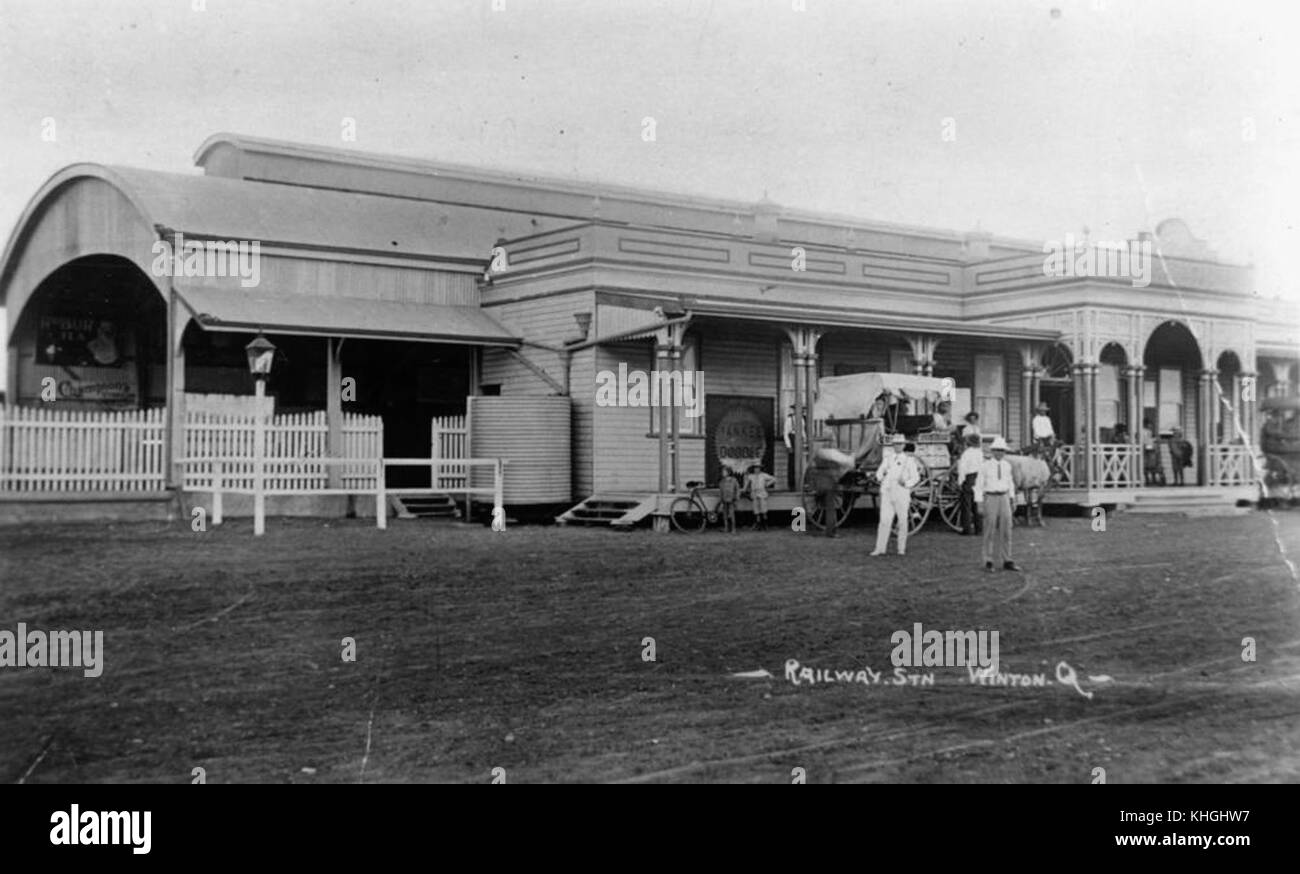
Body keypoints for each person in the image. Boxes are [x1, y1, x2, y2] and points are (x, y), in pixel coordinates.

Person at [870, 433, 921, 556]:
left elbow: (916, 477)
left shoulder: (909, 460)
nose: (897, 446)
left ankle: (901, 548)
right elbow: (879, 473)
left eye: (900, 444)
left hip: (901, 492)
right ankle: (880, 548)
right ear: (893, 445)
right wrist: (880, 477)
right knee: (884, 520)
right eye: (895, 444)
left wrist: (906, 483)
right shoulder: (888, 458)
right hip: (888, 491)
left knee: (902, 520)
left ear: (903, 445)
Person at [975, 436, 1021, 572]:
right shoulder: (985, 466)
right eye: (997, 450)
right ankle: (988, 560)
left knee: (1006, 529)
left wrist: (1012, 499)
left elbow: (1010, 483)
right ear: (992, 451)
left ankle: (1007, 559)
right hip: (991, 497)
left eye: (1002, 451)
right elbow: (978, 485)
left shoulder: (1007, 466)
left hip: (1004, 497)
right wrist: (979, 503)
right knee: (989, 529)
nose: (1000, 453)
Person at [809, 439, 853, 538]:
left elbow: (813, 467)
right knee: (831, 509)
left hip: (819, 484)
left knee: (829, 508)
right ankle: (831, 532)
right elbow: (839, 469)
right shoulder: (832, 456)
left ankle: (828, 529)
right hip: (829, 484)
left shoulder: (819, 454)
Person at [957, 431, 984, 536]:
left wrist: (960, 482)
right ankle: (979, 529)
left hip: (969, 479)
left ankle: (967, 529)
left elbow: (962, 469)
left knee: (966, 505)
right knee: (977, 504)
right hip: (979, 479)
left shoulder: (966, 453)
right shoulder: (980, 453)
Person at [744, 464, 777, 530]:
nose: (756, 470)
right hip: (754, 493)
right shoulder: (751, 476)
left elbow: (774, 479)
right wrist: (745, 489)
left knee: (763, 509)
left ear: (760, 469)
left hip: (761, 493)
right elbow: (746, 483)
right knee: (756, 509)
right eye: (755, 468)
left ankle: (765, 524)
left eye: (758, 468)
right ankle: (758, 524)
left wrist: (767, 484)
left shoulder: (763, 475)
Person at [717, 467, 741, 533]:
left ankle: (733, 529)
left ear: (728, 472)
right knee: (725, 514)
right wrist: (720, 499)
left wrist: (737, 497)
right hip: (724, 499)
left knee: (731, 514)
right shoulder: (722, 481)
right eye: (722, 472)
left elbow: (737, 489)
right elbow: (721, 491)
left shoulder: (734, 480)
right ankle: (726, 528)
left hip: (731, 499)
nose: (722, 473)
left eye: (724, 472)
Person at [1142, 418, 1161, 485]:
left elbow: (1150, 440)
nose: (1151, 426)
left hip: (1150, 448)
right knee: (1147, 465)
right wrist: (1154, 440)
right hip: (1146, 448)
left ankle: (1153, 479)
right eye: (1150, 424)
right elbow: (1146, 441)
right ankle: (1148, 480)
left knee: (1152, 465)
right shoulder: (1144, 431)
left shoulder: (1149, 431)